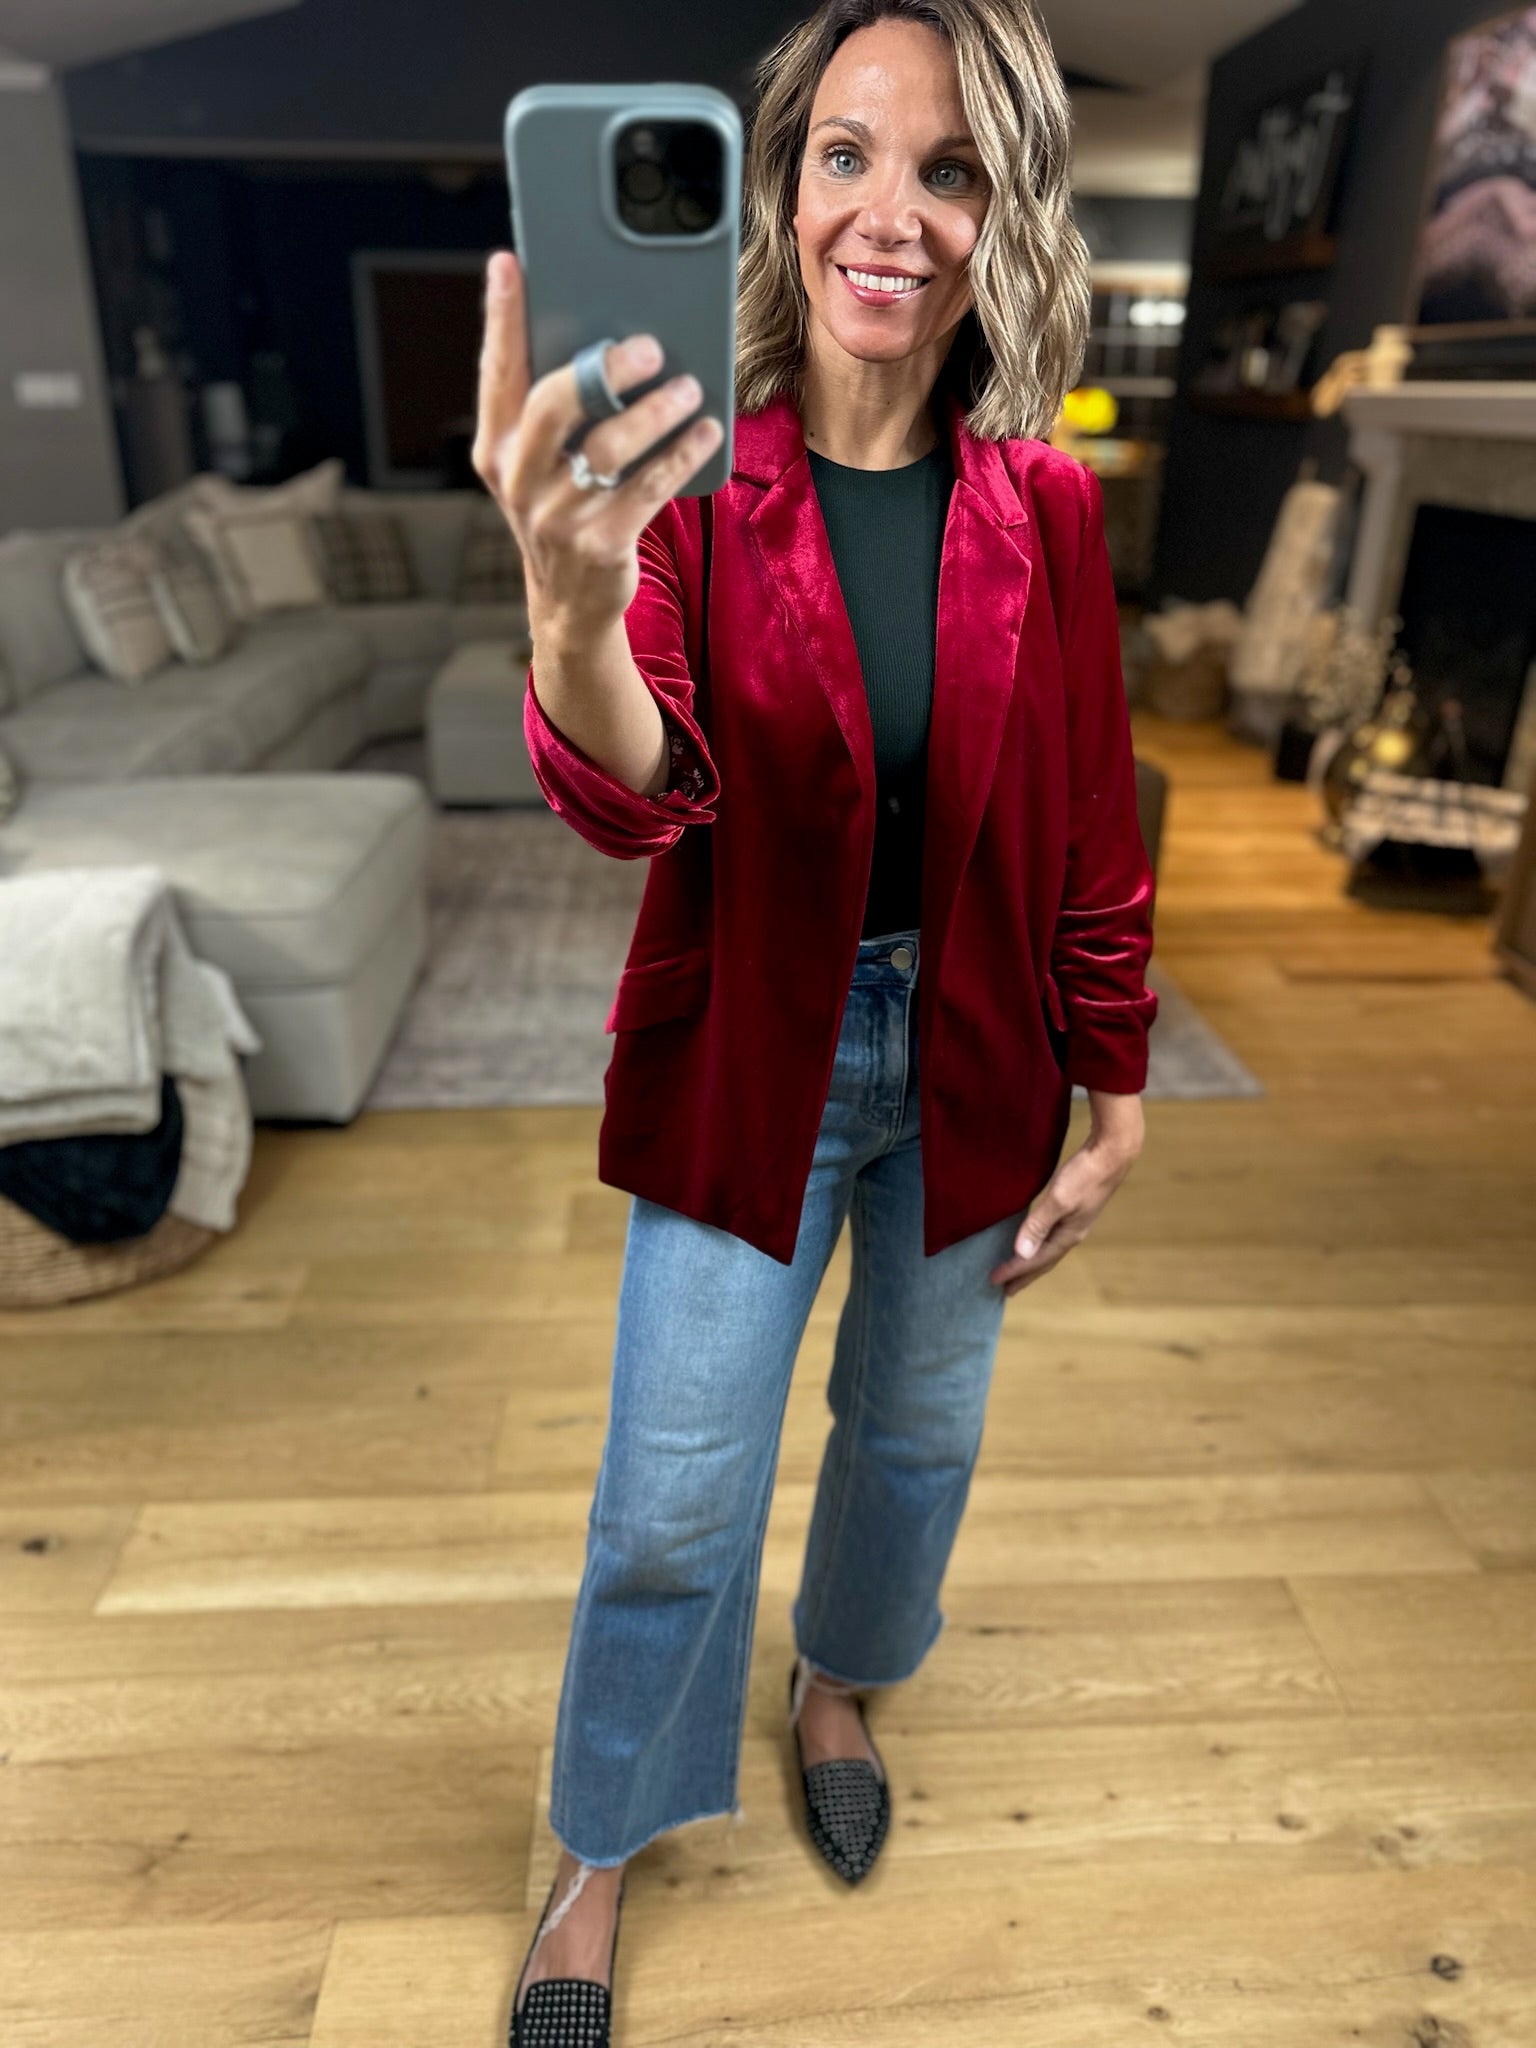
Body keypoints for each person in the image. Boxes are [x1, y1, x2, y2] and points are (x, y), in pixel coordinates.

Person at [474, 3, 1158, 2040]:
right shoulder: (692, 482)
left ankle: (837, 1683)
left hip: (976, 1054)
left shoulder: (1047, 508)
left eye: (950, 170)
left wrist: (1118, 1087)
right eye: (846, 154)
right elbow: (634, 795)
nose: (892, 213)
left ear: (1004, 213)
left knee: (919, 1438)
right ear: (779, 194)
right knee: (673, 1494)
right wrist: (571, 609)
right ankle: (599, 1843)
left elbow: (1091, 823)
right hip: (752, 1050)